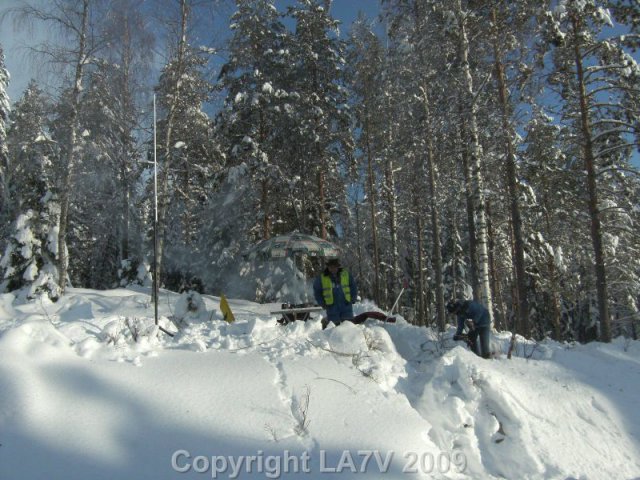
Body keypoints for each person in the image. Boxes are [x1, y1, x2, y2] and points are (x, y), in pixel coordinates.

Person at [313, 258, 358, 327]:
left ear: (338, 267)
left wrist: (353, 298)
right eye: (331, 267)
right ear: (328, 267)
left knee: (349, 328)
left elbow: (353, 287)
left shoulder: (345, 274)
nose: (333, 269)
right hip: (332, 307)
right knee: (334, 329)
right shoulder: (322, 277)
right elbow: (317, 292)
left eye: (335, 267)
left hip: (346, 306)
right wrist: (322, 303)